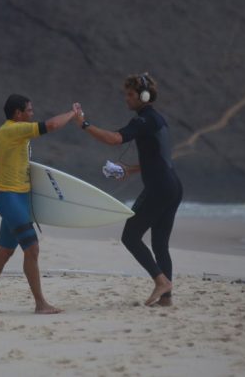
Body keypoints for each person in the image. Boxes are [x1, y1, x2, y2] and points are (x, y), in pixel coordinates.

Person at [74, 73, 183, 306]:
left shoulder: (143, 120)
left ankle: (161, 282)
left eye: (131, 95)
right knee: (160, 244)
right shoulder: (157, 119)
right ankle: (166, 299)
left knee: (130, 236)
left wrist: (84, 124)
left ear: (144, 96)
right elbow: (157, 159)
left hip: (159, 188)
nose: (127, 99)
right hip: (172, 185)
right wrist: (129, 170)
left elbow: (115, 139)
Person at [0, 94, 79, 314]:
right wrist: (73, 113)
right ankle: (40, 304)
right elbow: (51, 125)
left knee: (4, 251)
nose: (32, 114)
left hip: (18, 199)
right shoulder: (12, 130)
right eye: (29, 111)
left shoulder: (12, 132)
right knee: (32, 248)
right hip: (10, 199)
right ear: (18, 113)